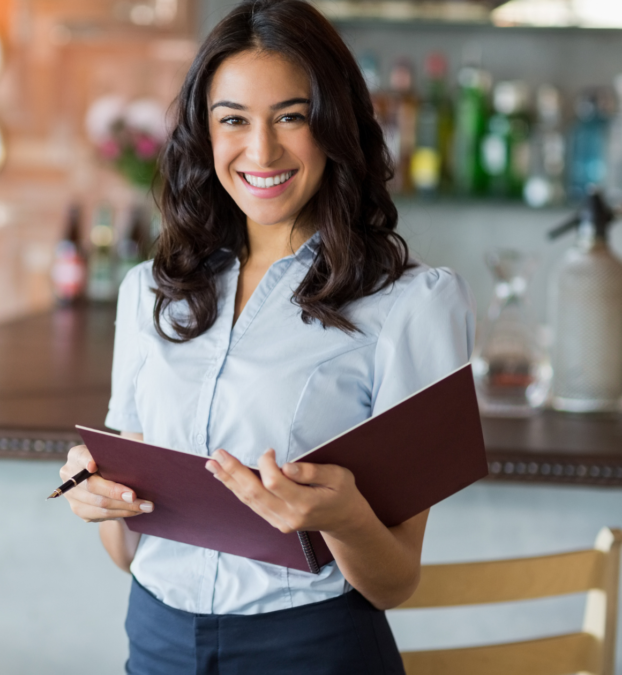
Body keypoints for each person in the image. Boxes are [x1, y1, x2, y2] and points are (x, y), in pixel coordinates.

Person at [57, 1, 475, 673]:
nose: (262, 151)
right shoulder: (149, 292)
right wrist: (101, 494)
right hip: (157, 639)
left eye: (291, 116)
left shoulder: (412, 305)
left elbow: (394, 579)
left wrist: (342, 517)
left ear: (334, 125)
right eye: (233, 121)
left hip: (312, 648)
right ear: (205, 132)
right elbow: (127, 551)